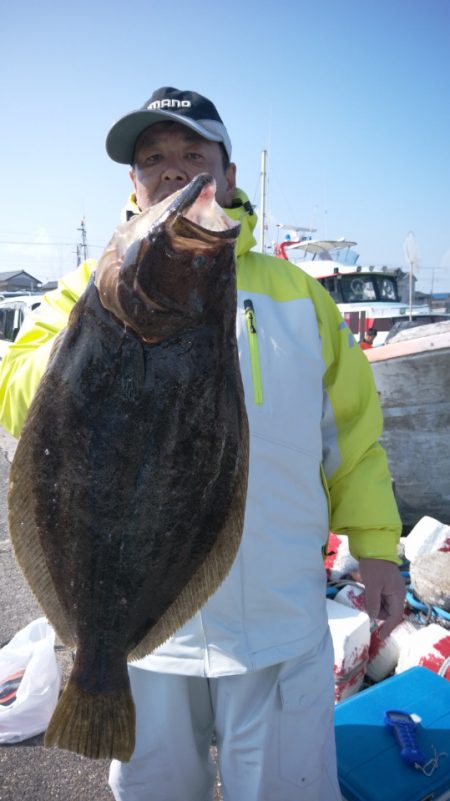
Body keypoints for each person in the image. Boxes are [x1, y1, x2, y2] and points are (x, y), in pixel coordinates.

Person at [0, 87, 405, 801]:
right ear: (134, 183)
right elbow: (14, 393)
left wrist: (376, 547)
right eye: (153, 157)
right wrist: (90, 343)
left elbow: (352, 438)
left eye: (193, 153)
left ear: (227, 175)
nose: (173, 168)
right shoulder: (85, 289)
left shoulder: (299, 297)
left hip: (279, 623)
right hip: (149, 643)